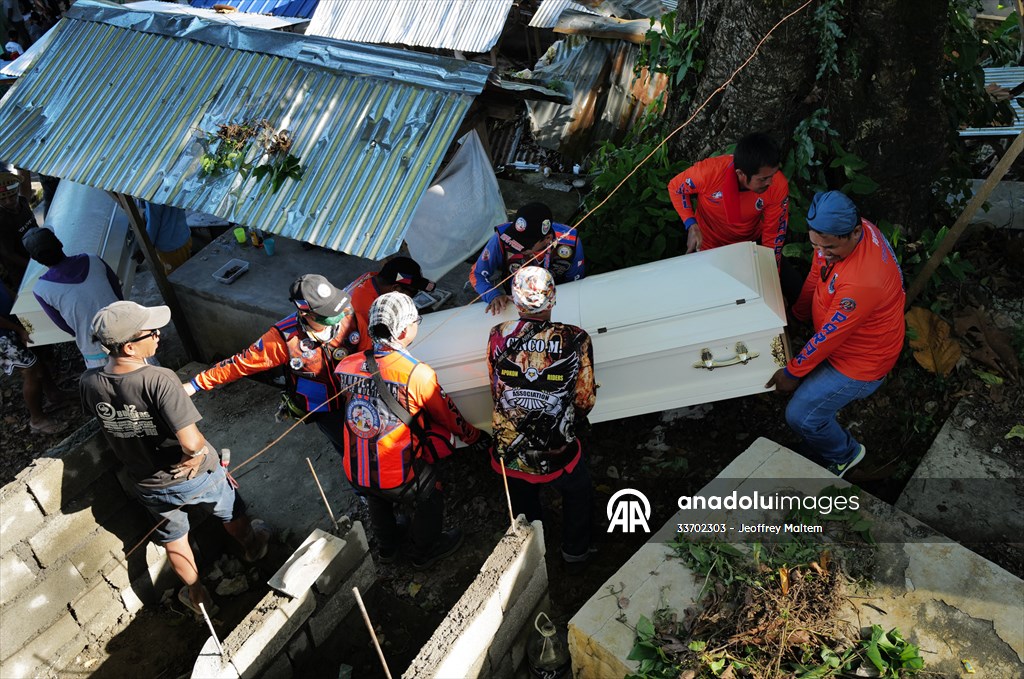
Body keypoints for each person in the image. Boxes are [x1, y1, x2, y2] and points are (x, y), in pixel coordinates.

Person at [80, 301, 269, 615]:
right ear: (128, 346)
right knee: (231, 510)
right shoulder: (159, 379)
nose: (158, 335)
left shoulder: (89, 382)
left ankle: (197, 595)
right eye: (151, 332)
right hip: (194, 476)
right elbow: (191, 440)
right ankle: (254, 547)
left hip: (147, 482)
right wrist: (195, 455)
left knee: (175, 539)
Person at [333, 291, 486, 568]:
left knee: (374, 496)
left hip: (355, 469)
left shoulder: (345, 365)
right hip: (398, 475)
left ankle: (387, 549)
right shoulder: (417, 374)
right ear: (404, 330)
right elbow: (448, 415)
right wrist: (473, 436)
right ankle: (423, 552)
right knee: (431, 492)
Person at [765, 191, 905, 477]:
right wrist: (799, 313)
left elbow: (829, 336)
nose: (820, 253)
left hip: (860, 363)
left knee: (800, 416)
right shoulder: (848, 231)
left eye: (828, 247)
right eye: (815, 244)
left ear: (854, 233)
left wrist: (792, 373)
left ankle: (844, 455)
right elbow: (819, 270)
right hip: (847, 343)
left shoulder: (864, 280)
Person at [487, 266, 596, 569]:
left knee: (523, 504)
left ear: (515, 301)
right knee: (578, 492)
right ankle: (575, 553)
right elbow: (585, 400)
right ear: (553, 299)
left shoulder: (497, 336)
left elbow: (496, 389)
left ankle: (534, 556)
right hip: (559, 448)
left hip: (511, 450)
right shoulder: (575, 338)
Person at [184, 274, 361, 455]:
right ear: (305, 312)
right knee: (349, 448)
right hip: (324, 408)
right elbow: (240, 364)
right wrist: (196, 384)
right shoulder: (283, 338)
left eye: (336, 305)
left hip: (361, 393)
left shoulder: (349, 309)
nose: (339, 313)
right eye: (328, 311)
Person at [667, 133, 801, 302]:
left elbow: (774, 234)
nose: (770, 182)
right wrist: (691, 224)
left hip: (749, 246)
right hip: (707, 246)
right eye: (763, 179)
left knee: (797, 291)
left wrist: (771, 278)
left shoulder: (777, 185)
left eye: (772, 175)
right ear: (741, 174)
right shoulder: (710, 172)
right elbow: (676, 188)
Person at [23, 226, 124, 369]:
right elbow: (117, 292)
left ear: (35, 259)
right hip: (127, 335)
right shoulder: (93, 259)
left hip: (97, 352)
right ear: (60, 243)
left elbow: (65, 326)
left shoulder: (41, 290)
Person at [469, 202, 584, 315]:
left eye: (524, 244)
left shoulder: (570, 243)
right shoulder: (502, 237)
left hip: (556, 304)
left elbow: (576, 285)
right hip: (515, 304)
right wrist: (493, 295)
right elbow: (477, 273)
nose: (516, 245)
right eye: (515, 238)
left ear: (547, 238)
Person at [0, 281, 68, 434]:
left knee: (38, 355)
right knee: (32, 370)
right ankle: (37, 420)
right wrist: (19, 329)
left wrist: (24, 314)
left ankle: (54, 394)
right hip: (3, 336)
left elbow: (10, 293)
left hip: (14, 323)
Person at [345, 256, 434, 352]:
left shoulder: (371, 276)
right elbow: (370, 354)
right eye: (413, 293)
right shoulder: (369, 312)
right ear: (396, 289)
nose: (412, 298)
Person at [0, 169, 38, 289]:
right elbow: (8, 253)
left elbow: (25, 182)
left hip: (37, 255)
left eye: (12, 196)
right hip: (22, 271)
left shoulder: (23, 202)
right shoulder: (2, 220)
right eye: (2, 199)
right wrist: (32, 266)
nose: (9, 201)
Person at [143, 202, 192, 274]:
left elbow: (152, 225)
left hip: (170, 248)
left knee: (176, 276)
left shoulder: (152, 200)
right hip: (184, 236)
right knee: (187, 270)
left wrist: (146, 247)